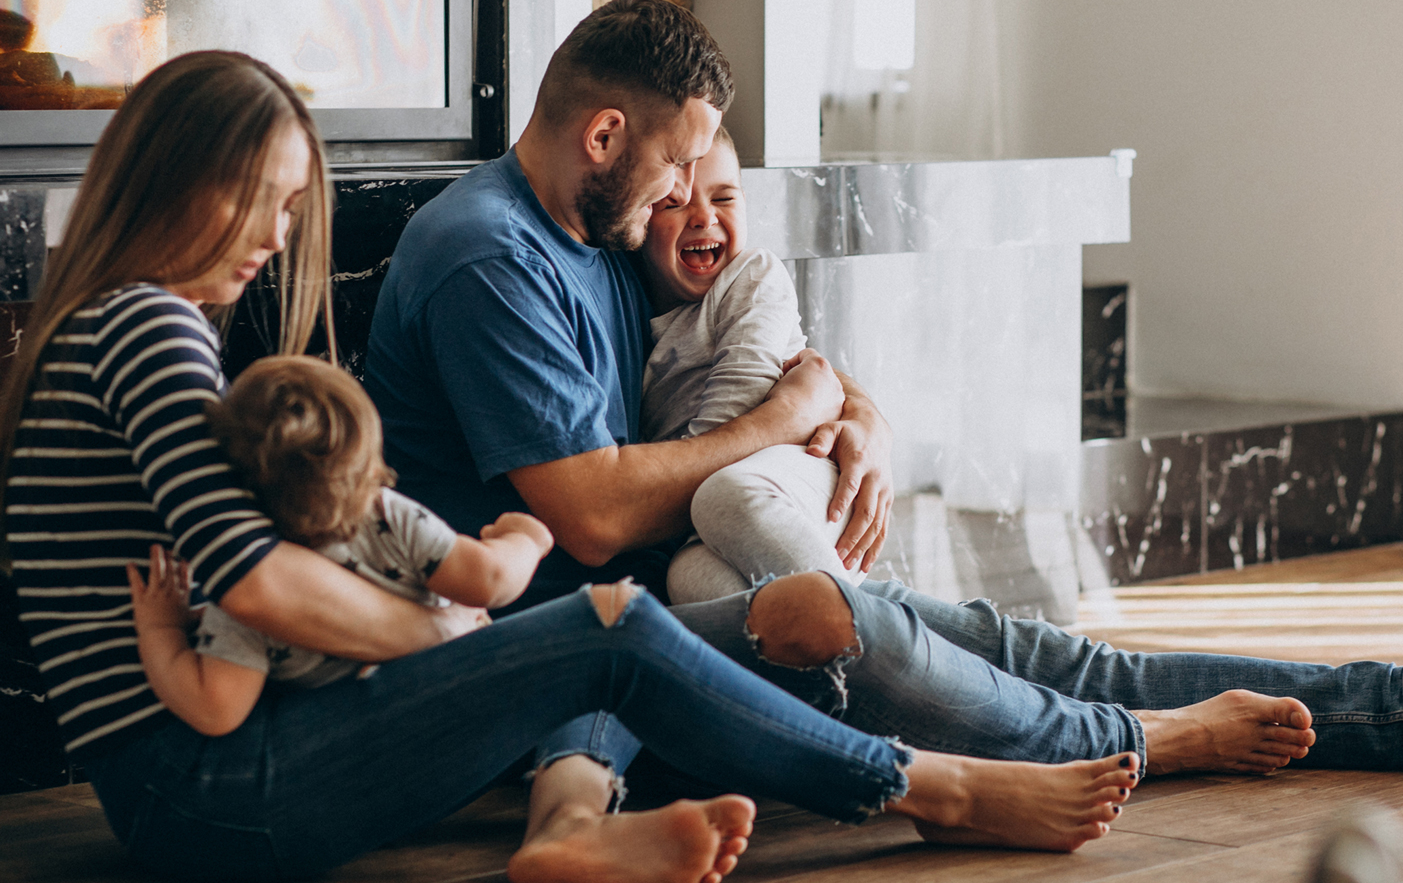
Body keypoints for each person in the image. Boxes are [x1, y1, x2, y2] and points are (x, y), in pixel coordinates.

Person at [1, 49, 1143, 883]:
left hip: (204, 779)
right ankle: (937, 787)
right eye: (263, 197)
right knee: (604, 627)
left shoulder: (110, 326)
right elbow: (254, 582)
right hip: (211, 791)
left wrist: (854, 411)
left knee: (632, 625)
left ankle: (581, 828)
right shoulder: (147, 327)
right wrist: (442, 638)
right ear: (178, 178)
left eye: (294, 206)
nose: (280, 234)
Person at [367, 0, 1403, 809]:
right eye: (676, 161)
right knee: (888, 642)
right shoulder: (488, 258)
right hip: (594, 643)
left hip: (685, 594)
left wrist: (857, 413)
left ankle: (1377, 707)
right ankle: (1142, 742)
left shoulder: (598, 229)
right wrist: (782, 423)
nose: (683, 190)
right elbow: (590, 517)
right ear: (602, 136)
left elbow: (759, 343)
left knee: (1026, 647)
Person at [127, 355, 552, 735]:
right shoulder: (388, 516)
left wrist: (161, 630)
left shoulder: (248, 584)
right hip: (458, 720)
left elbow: (216, 710)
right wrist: (526, 539)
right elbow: (490, 579)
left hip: (351, 750)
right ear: (367, 459)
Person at [635, 125, 861, 605]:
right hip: (712, 509)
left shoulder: (752, 275)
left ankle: (867, 625)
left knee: (722, 496)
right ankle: (853, 634)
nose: (704, 216)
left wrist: (656, 503)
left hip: (801, 475)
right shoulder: (637, 314)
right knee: (687, 580)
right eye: (674, 204)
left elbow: (736, 407)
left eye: (724, 198)